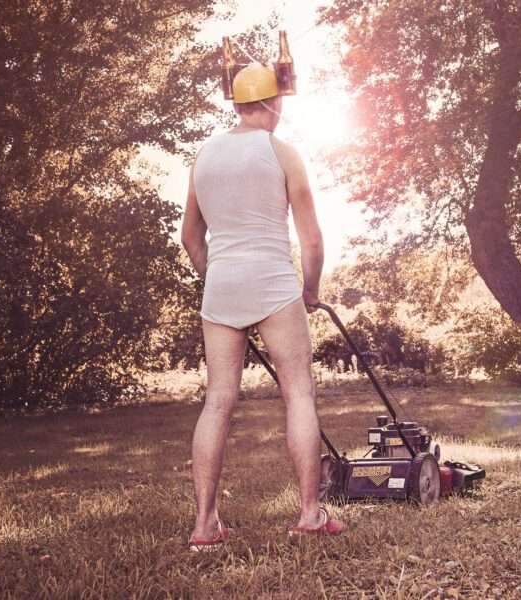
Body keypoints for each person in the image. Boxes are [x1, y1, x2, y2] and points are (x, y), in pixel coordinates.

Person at [180, 63, 346, 551]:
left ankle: (204, 525)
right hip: (274, 283)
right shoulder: (282, 154)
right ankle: (310, 515)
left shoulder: (203, 156)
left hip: (223, 285)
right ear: (275, 103)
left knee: (218, 401)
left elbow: (191, 238)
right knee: (298, 394)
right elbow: (311, 241)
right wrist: (310, 291)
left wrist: (218, 276)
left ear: (236, 103)